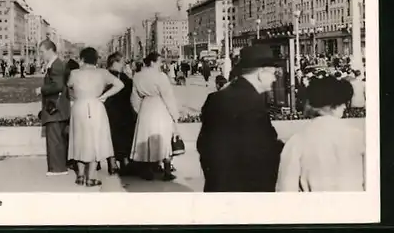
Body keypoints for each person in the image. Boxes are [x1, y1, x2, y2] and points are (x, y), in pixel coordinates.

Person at [197, 44, 283, 192]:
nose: (275, 79)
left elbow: (203, 145)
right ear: (261, 74)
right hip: (246, 190)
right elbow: (264, 150)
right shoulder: (252, 104)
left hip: (217, 186)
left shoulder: (216, 98)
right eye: (273, 74)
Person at [276, 76, 364, 191]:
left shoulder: (297, 141)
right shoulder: (358, 137)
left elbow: (286, 189)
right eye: (343, 102)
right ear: (336, 105)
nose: (344, 106)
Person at [68, 47, 124, 187]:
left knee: (79, 139)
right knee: (95, 140)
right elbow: (120, 84)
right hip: (96, 105)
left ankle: (80, 175)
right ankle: (91, 177)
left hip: (79, 106)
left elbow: (69, 87)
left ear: (82, 59)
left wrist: (77, 95)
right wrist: (104, 95)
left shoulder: (74, 73)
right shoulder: (102, 73)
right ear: (96, 59)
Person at [130, 52, 180, 181]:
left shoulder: (137, 76)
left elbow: (134, 98)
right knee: (164, 136)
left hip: (145, 108)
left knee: (146, 137)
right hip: (159, 107)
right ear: (152, 62)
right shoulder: (160, 76)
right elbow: (168, 96)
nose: (161, 64)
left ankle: (148, 170)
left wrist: (138, 111)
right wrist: (174, 115)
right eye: (159, 62)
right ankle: (167, 171)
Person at [35, 39, 72, 176]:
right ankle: (60, 166)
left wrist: (42, 89)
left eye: (42, 52)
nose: (41, 55)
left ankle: (57, 168)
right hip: (58, 107)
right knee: (58, 138)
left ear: (50, 50)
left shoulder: (56, 65)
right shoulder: (57, 64)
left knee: (54, 138)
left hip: (54, 108)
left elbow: (57, 85)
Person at [103, 52, 138, 176]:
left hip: (110, 109)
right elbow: (130, 91)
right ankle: (124, 162)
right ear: (115, 62)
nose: (123, 64)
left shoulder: (106, 75)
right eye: (122, 62)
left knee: (111, 136)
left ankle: (112, 163)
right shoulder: (122, 77)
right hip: (123, 110)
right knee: (124, 135)